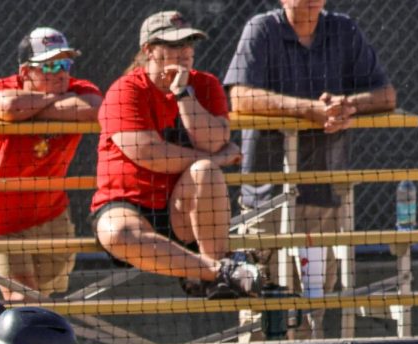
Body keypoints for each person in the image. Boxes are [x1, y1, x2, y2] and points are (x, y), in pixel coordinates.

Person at [224, 0, 396, 316]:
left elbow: (385, 95)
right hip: (267, 196)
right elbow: (240, 96)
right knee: (260, 307)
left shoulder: (344, 28)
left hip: (322, 193)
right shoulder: (261, 29)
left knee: (313, 305)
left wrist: (346, 105)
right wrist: (309, 111)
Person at [91, 11, 264, 299]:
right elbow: (149, 153)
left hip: (182, 208)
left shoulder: (204, 85)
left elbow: (214, 140)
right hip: (129, 202)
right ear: (149, 50)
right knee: (116, 233)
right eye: (173, 45)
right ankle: (217, 271)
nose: (183, 52)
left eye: (188, 44)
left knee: (205, 171)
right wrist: (219, 158)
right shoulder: (125, 90)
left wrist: (183, 94)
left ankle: (215, 279)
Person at [0, 27, 102, 300]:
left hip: (51, 214)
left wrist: (37, 106)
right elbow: (8, 107)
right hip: (1, 220)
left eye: (65, 64)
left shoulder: (80, 89)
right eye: (50, 65)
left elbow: (93, 107)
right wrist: (56, 103)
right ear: (25, 73)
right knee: (23, 299)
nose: (61, 73)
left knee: (48, 295)